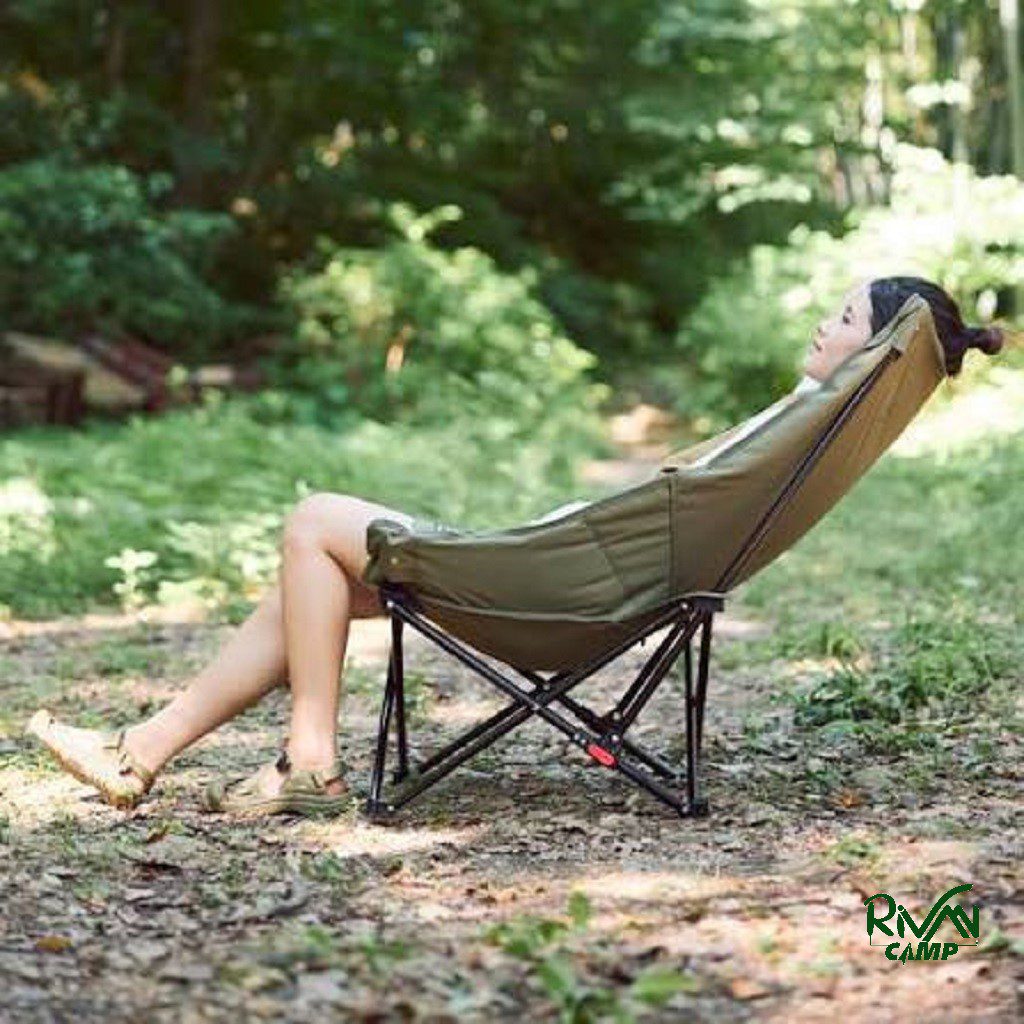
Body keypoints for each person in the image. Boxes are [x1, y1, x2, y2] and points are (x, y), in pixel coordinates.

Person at [25, 275, 1006, 816]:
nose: (822, 321)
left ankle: (310, 761)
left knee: (314, 518)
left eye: (843, 317)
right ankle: (140, 753)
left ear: (870, 350)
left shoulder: (795, 430)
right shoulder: (800, 430)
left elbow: (662, 506)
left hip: (562, 596)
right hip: (578, 587)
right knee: (306, 583)